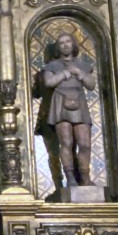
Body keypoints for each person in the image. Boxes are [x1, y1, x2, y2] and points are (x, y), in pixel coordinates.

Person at [42, 32, 96, 186]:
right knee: (66, 141)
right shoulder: (52, 66)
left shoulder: (82, 64)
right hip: (60, 102)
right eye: (61, 43)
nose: (65, 45)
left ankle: (85, 177)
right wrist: (64, 74)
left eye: (68, 42)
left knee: (85, 143)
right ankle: (70, 177)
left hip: (79, 102)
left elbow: (91, 85)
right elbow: (49, 82)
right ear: (58, 48)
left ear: (73, 44)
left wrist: (79, 72)